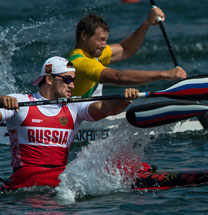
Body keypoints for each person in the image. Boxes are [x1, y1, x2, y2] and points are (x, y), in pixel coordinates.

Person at [0, 56, 140, 190]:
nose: (72, 85)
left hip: (60, 177)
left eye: (73, 80)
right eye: (67, 79)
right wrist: (1, 99)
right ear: (49, 79)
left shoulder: (74, 106)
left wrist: (123, 101)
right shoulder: (19, 102)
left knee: (128, 164)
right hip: (26, 177)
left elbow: (106, 109)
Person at [68, 10, 187, 97]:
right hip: (82, 122)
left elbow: (125, 49)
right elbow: (118, 77)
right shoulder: (80, 62)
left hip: (90, 115)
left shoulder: (92, 54)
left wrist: (147, 23)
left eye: (105, 40)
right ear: (84, 35)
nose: (104, 45)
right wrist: (164, 74)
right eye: (101, 40)